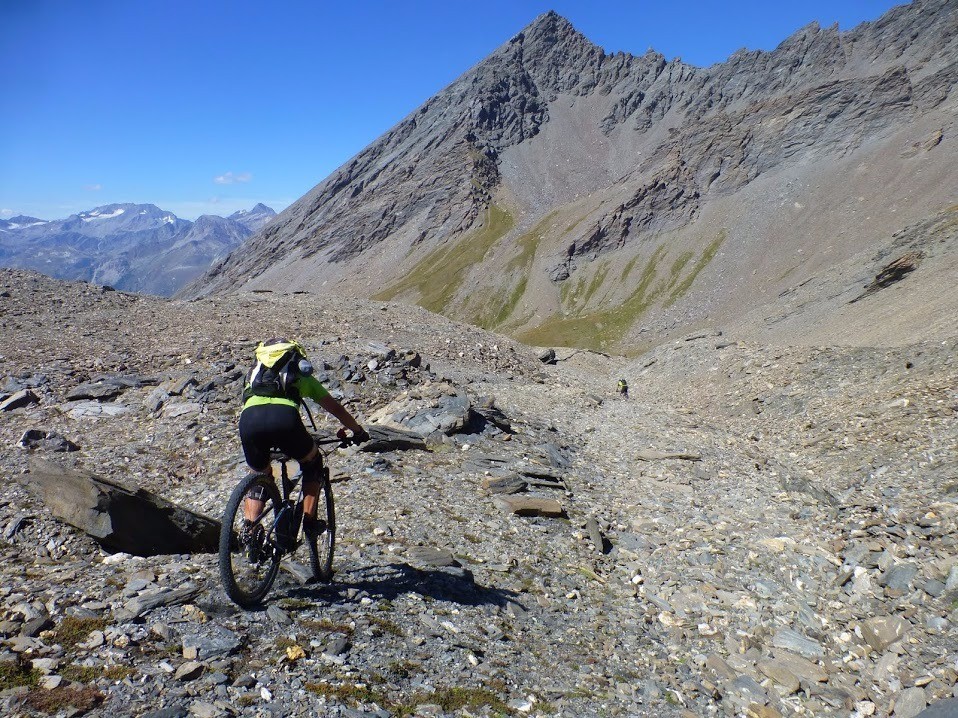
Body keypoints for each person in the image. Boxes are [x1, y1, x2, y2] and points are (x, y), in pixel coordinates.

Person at [239, 338, 368, 538]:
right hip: (285, 420)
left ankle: (249, 530)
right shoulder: (299, 376)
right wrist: (357, 431)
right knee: (312, 462)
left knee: (259, 473)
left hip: (249, 420)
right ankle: (310, 522)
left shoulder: (252, 376)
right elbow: (335, 408)